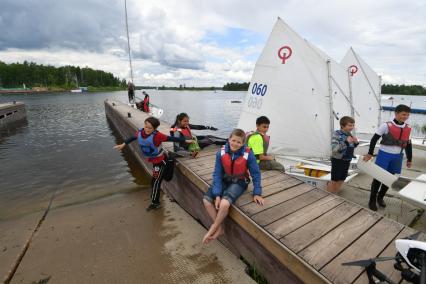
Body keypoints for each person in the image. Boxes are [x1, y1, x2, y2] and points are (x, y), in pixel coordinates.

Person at [114, 116, 193, 211]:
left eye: (150, 128)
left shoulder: (157, 136)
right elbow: (132, 137)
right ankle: (171, 159)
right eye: (146, 126)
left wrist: (185, 140)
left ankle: (155, 203)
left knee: (156, 181)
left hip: (161, 161)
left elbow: (171, 138)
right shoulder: (140, 132)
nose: (147, 129)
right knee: (164, 179)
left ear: (154, 128)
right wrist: (123, 144)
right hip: (155, 161)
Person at [202, 129, 264, 244]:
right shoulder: (220, 153)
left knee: (225, 204)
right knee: (206, 200)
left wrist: (257, 192)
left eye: (239, 142)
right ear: (229, 139)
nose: (235, 144)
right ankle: (219, 228)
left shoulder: (248, 154)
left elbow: (256, 173)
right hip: (225, 179)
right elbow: (217, 173)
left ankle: (213, 228)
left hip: (240, 181)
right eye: (233, 140)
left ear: (243, 143)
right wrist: (217, 195)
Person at [363, 104, 413, 211]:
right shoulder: (386, 125)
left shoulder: (408, 128)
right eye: (403, 114)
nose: (405, 117)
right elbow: (373, 139)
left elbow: (408, 144)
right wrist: (370, 153)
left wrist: (409, 159)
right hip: (384, 155)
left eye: (407, 115)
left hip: (398, 157)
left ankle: (380, 198)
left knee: (389, 179)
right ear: (396, 113)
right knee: (378, 178)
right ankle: (372, 200)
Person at [327, 116, 359, 193]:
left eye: (353, 125)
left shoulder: (350, 134)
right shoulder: (337, 134)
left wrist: (356, 143)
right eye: (349, 125)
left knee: (342, 178)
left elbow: (350, 147)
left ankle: (335, 194)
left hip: (347, 160)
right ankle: (328, 195)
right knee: (335, 179)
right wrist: (346, 142)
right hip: (338, 160)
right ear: (342, 125)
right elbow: (335, 149)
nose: (352, 127)